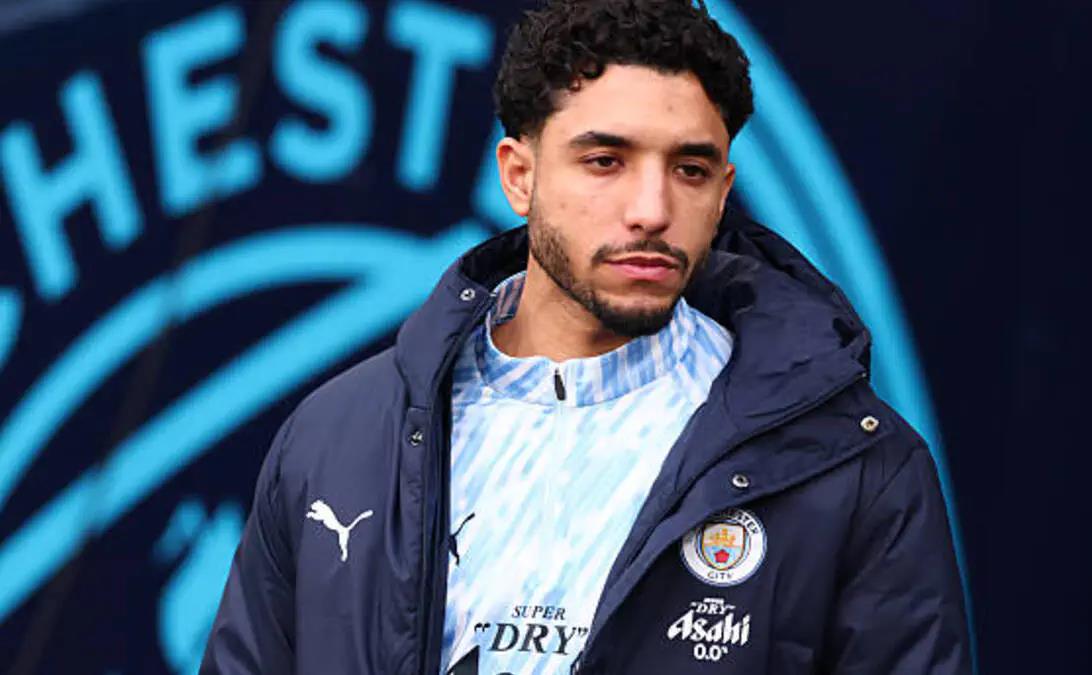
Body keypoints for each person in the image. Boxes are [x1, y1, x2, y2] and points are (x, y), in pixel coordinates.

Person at [201, 1, 971, 673]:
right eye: (606, 161)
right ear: (519, 175)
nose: (651, 209)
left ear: (723, 192)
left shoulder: (851, 464)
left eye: (690, 169)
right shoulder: (335, 439)